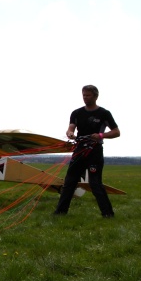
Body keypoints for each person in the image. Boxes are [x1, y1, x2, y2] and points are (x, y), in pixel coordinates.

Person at [54, 85, 120, 217]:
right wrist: (70, 133)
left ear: (95, 96)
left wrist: (101, 135)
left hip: (94, 151)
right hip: (79, 150)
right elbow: (71, 128)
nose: (85, 98)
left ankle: (108, 214)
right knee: (69, 182)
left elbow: (116, 132)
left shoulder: (104, 113)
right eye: (83, 95)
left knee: (95, 183)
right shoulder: (76, 113)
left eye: (88, 95)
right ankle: (60, 212)